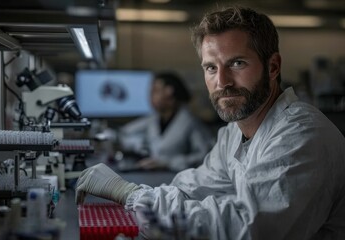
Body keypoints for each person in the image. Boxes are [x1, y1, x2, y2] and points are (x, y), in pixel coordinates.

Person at [75, 5, 345, 239]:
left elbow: (247, 229)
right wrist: (130, 192)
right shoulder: (232, 135)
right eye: (211, 68)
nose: (223, 82)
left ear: (273, 67)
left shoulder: (301, 135)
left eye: (237, 63)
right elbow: (191, 191)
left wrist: (129, 193)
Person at [116, 71, 213, 172]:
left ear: (169, 92)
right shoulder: (154, 119)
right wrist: (140, 145)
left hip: (179, 178)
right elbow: (125, 132)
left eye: (155, 91)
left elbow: (205, 156)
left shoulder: (190, 122)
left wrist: (169, 163)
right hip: (154, 177)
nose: (150, 96)